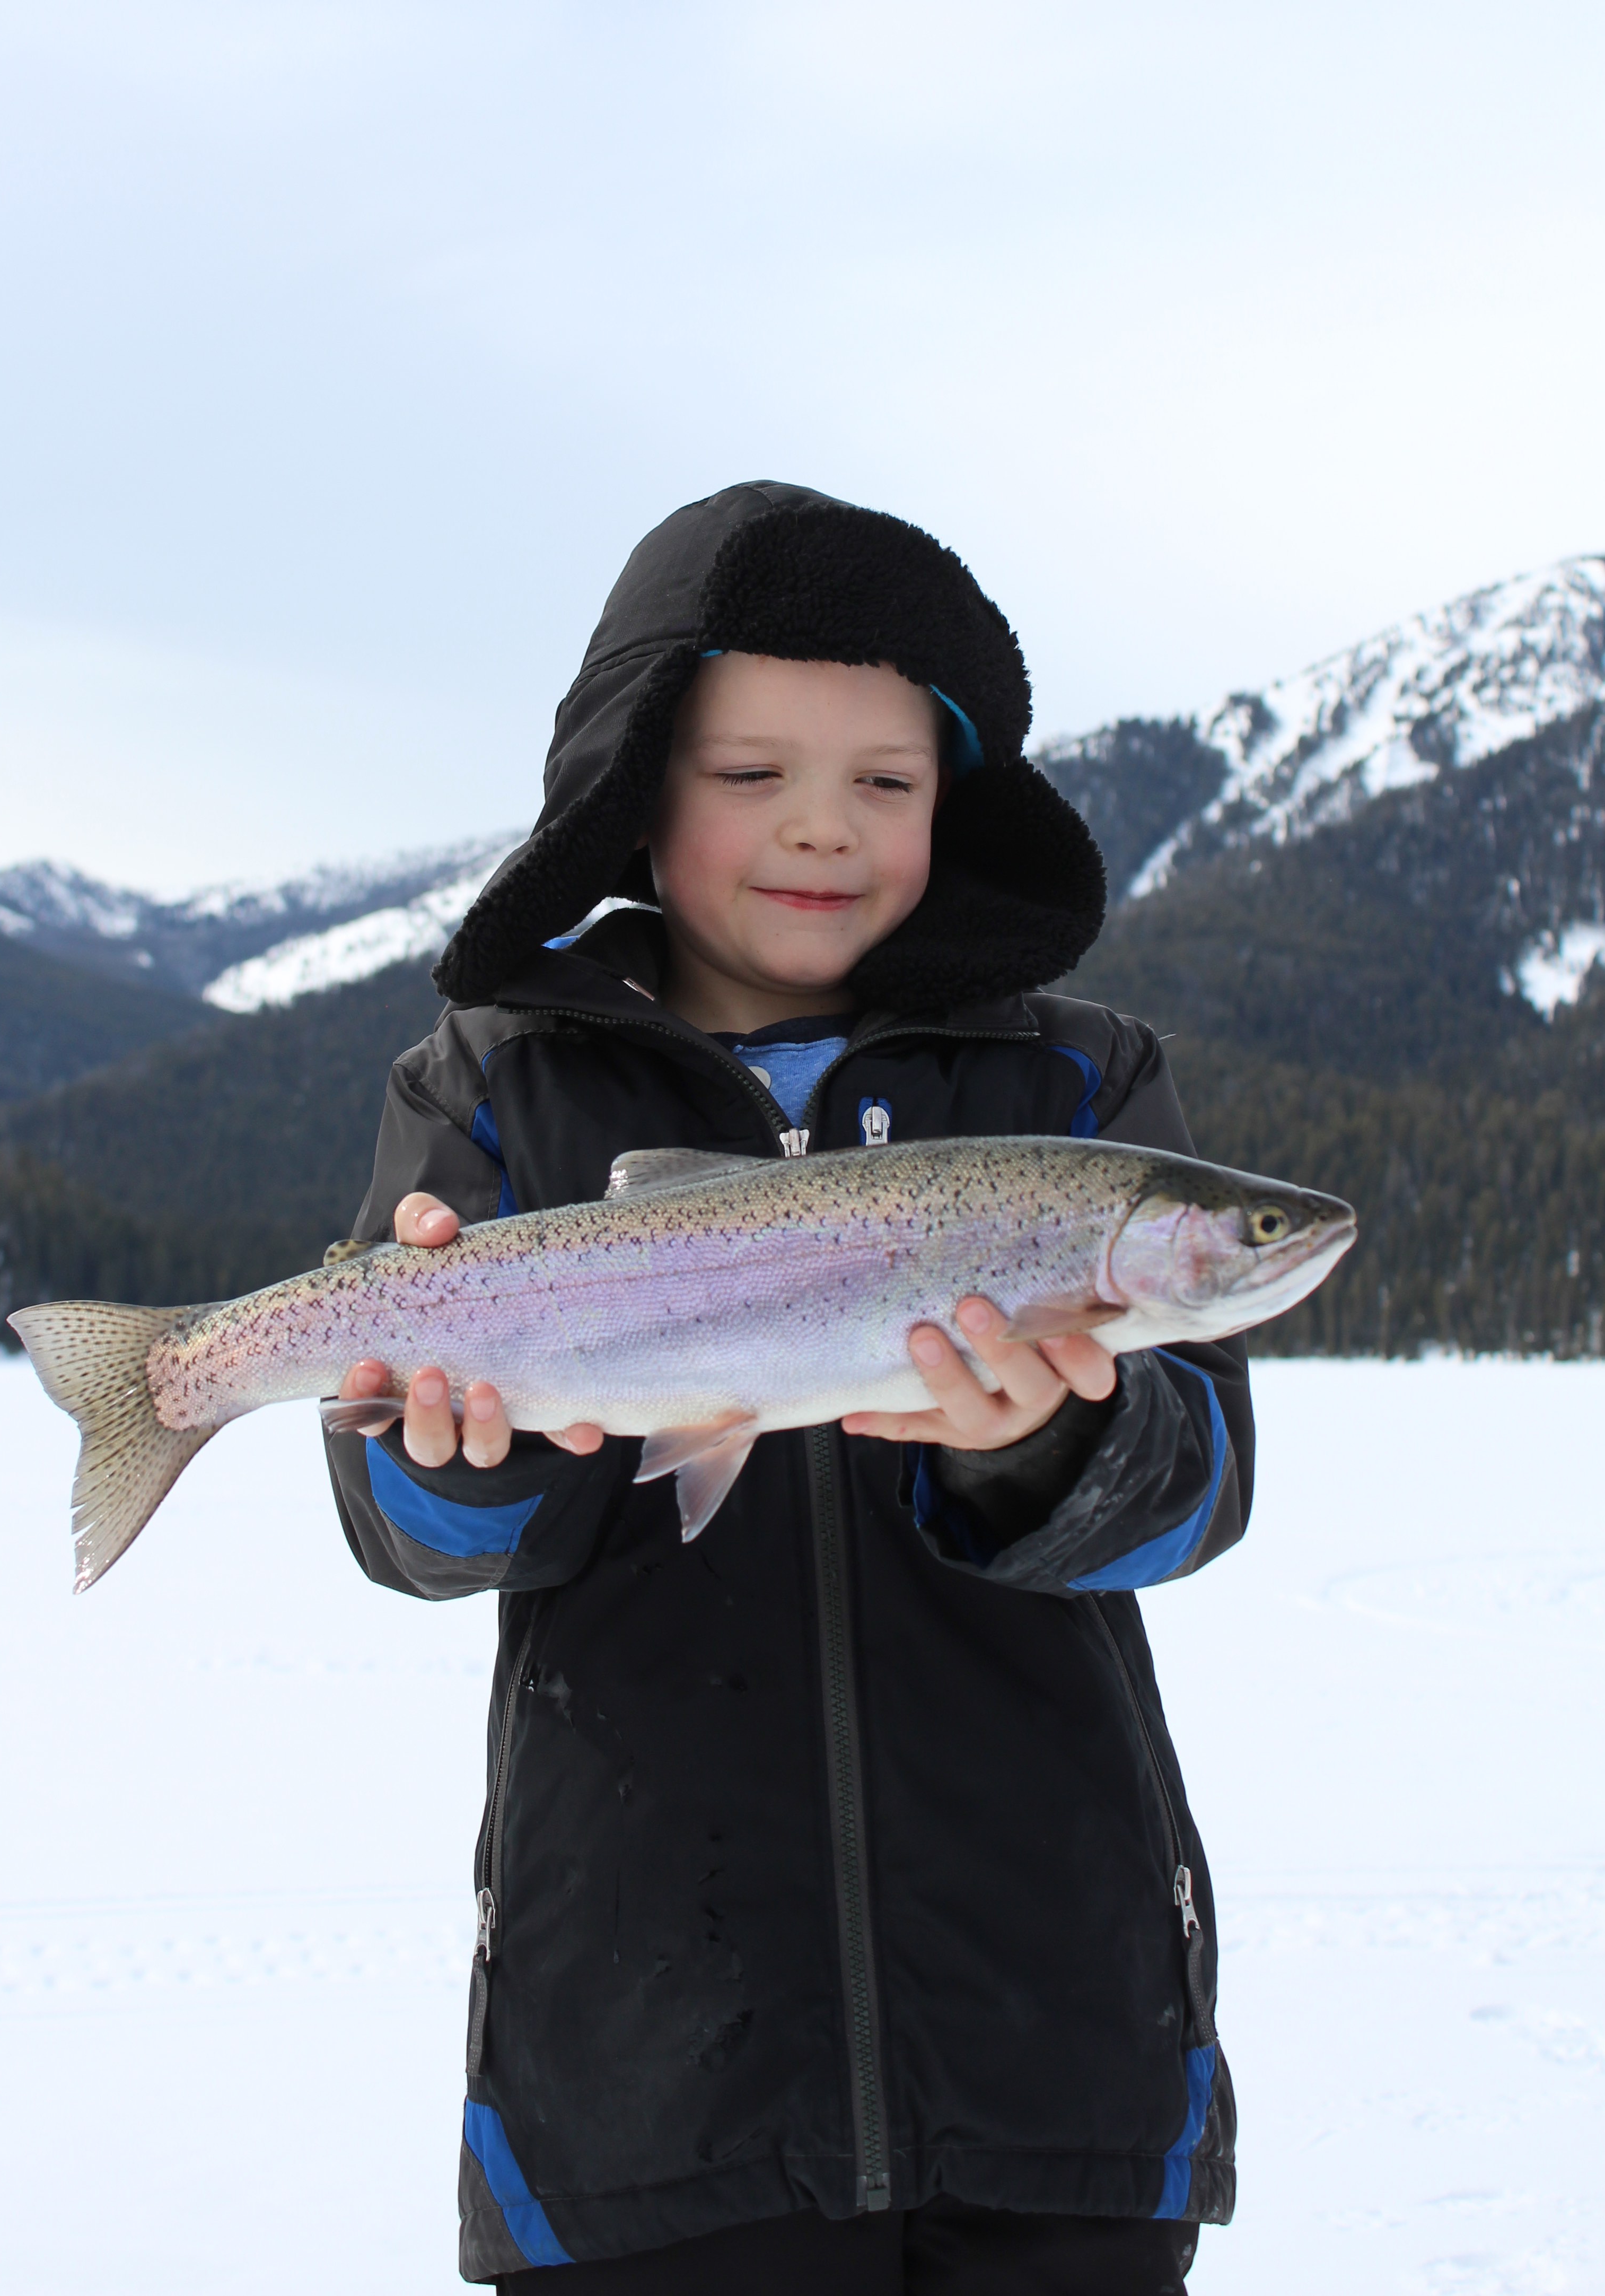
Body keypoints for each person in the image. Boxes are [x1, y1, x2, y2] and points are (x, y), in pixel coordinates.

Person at [323, 482, 1250, 2293]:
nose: (820, 828)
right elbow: (403, 1524)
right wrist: (465, 1451)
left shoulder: (1075, 1081)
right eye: (752, 776)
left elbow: (1198, 1485)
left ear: (950, 806)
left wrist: (1046, 1439)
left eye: (886, 784)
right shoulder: (498, 1085)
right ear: (633, 790)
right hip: (640, 2083)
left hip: (1055, 2050)